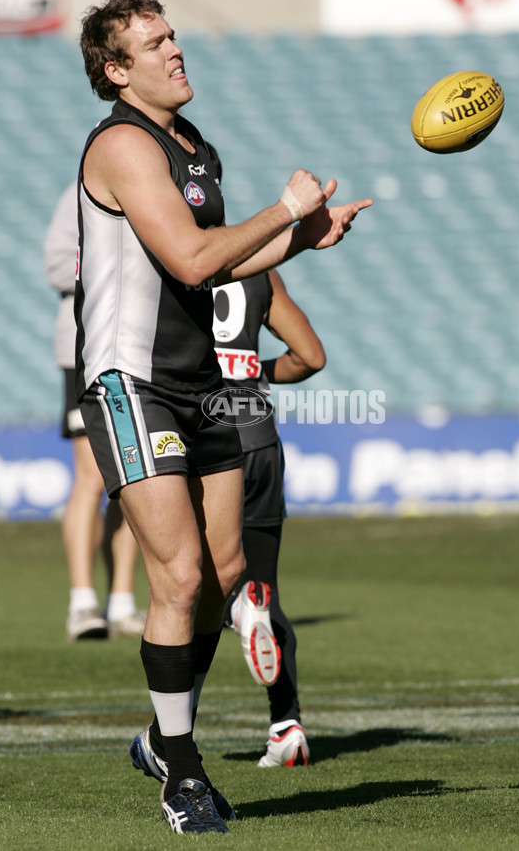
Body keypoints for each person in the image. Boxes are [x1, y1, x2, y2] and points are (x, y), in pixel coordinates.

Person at [76, 0, 372, 835]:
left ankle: (160, 737)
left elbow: (218, 269)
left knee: (220, 571)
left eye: (173, 35)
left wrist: (302, 239)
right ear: (115, 70)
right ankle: (184, 772)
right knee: (173, 575)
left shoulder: (192, 146)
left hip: (201, 380)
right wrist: (284, 209)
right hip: (134, 382)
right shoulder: (125, 145)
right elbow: (191, 253)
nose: (176, 50)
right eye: (155, 43)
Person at [214, 267, 325, 768]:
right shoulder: (262, 270)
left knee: (190, 585)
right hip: (260, 440)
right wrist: (254, 373)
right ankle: (288, 725)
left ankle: (171, 737)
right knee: (266, 587)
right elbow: (310, 357)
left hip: (207, 440)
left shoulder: (174, 258)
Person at [43, 182, 146, 641]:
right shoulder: (80, 194)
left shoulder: (153, 189)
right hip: (85, 349)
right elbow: (57, 265)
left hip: (136, 349)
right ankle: (82, 603)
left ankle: (122, 601)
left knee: (132, 478)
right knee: (90, 476)